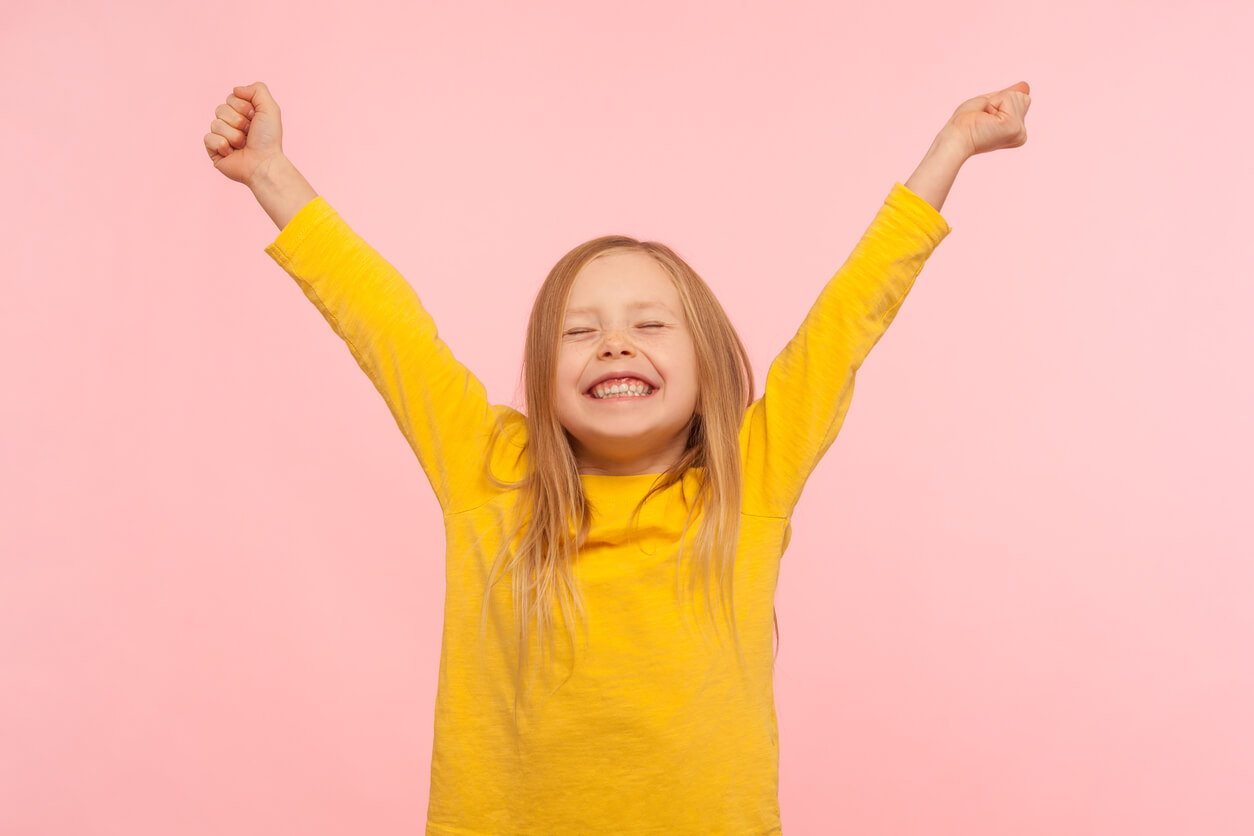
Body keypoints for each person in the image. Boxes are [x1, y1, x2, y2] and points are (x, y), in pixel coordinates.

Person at [204, 79, 1030, 835]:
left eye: (649, 323)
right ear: (541, 372)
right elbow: (383, 323)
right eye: (579, 330)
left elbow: (849, 317)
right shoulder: (488, 470)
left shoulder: (751, 478)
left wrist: (951, 147)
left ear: (707, 362)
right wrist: (271, 174)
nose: (613, 345)